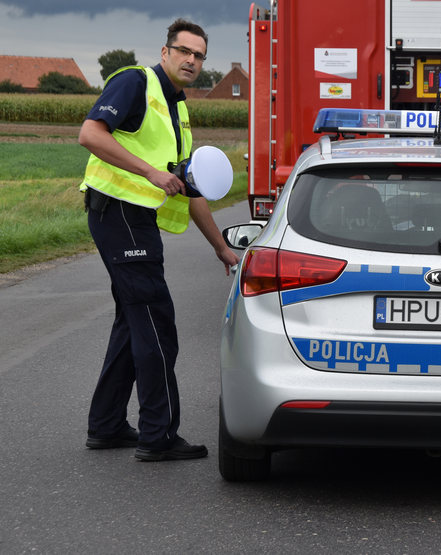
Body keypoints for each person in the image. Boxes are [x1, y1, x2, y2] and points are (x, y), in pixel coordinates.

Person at [79, 19, 240, 461]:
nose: (192, 60)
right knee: (155, 321)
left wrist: (220, 247)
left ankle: (107, 425)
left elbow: (190, 188)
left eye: (200, 55)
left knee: (132, 323)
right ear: (166, 51)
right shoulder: (135, 82)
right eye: (184, 51)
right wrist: (149, 172)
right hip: (119, 214)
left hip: (136, 221)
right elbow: (89, 134)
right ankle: (159, 436)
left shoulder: (178, 109)